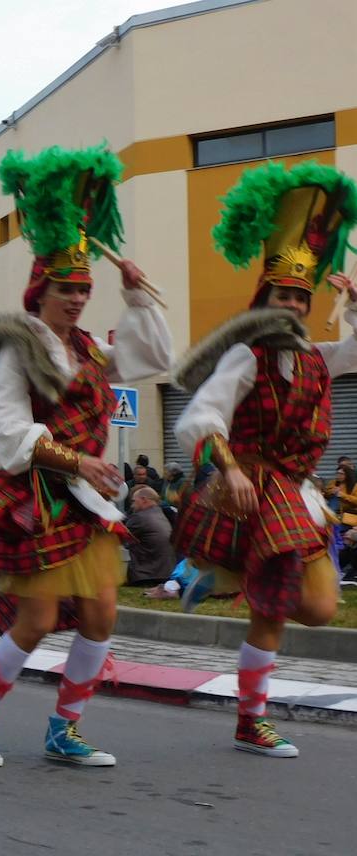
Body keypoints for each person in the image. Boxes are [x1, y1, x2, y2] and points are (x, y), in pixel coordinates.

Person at [0, 144, 171, 768]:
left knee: (102, 616)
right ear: (39, 289)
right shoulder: (17, 350)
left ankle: (64, 729)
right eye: (66, 288)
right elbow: (8, 433)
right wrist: (77, 463)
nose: (77, 298)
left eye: (84, 288)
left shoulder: (95, 353)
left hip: (87, 501)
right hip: (42, 495)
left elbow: (155, 358)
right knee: (38, 617)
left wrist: (136, 296)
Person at [172, 161, 357, 758]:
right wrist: (225, 467)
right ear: (264, 297)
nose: (294, 306)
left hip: (298, 491)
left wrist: (352, 304)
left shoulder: (315, 358)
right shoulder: (248, 355)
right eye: (284, 294)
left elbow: (352, 351)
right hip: (253, 483)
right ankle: (251, 720)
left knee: (322, 608)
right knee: (277, 607)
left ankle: (225, 574)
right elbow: (199, 415)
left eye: (302, 297)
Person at [124, 486, 174, 584]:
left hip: (146, 575)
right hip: (165, 573)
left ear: (143, 500)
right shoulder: (160, 514)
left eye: (134, 501)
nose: (132, 506)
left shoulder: (139, 517)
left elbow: (120, 538)